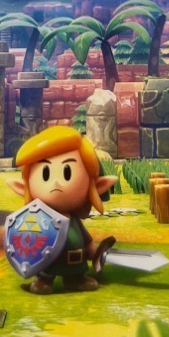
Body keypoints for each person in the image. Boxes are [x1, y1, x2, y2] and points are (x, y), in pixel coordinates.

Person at [7, 126, 117, 294]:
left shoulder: (74, 222)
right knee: (47, 270)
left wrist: (93, 251)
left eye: (67, 173)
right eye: (46, 174)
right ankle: (44, 279)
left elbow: (86, 239)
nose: (56, 183)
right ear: (24, 186)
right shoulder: (39, 220)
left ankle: (75, 279)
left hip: (75, 261)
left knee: (75, 270)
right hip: (49, 263)